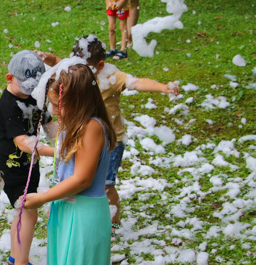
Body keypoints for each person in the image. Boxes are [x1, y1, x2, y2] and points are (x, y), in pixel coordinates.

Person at [23, 63, 117, 265]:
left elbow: (81, 178)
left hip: (86, 213)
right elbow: (69, 158)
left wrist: (41, 198)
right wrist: (42, 149)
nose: (54, 110)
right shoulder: (77, 125)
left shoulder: (92, 127)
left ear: (78, 101)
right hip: (69, 210)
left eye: (58, 104)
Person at [38, 35, 179, 228]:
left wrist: (163, 88)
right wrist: (48, 59)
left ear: (100, 65)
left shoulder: (112, 77)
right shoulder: (74, 73)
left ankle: (113, 218)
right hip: (81, 135)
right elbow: (57, 62)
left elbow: (137, 82)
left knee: (105, 182)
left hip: (110, 140)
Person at [0, 50, 56, 265]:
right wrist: (59, 152)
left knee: (26, 212)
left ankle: (16, 257)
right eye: (26, 86)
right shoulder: (9, 105)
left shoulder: (35, 96)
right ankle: (19, 261)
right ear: (9, 78)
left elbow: (48, 124)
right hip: (11, 168)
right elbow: (23, 142)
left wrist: (62, 139)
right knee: (27, 211)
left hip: (29, 167)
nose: (30, 92)